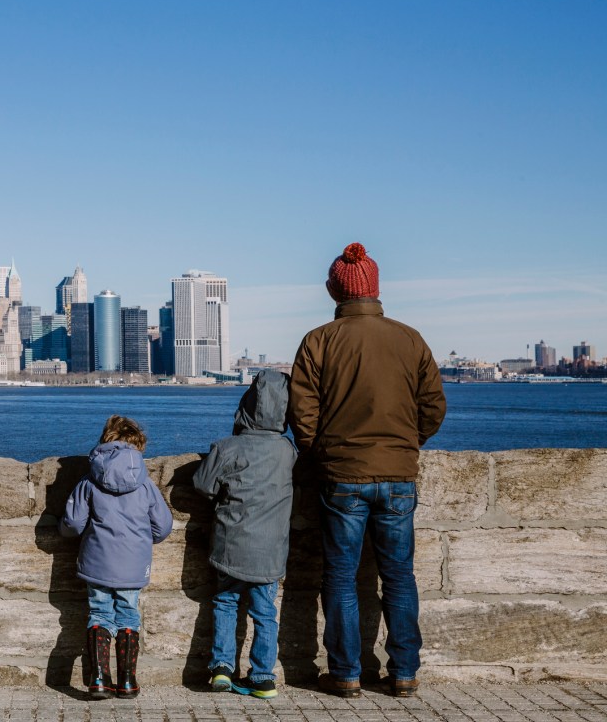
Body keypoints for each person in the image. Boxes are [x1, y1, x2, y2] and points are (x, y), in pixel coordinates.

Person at [289, 242, 446, 699]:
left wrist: (321, 452)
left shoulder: (319, 339)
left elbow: (303, 411)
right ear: (375, 289)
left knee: (339, 577)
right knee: (399, 575)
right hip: (398, 475)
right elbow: (433, 406)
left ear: (334, 290)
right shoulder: (410, 338)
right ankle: (404, 672)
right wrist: (405, 444)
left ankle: (346, 673)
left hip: (341, 477)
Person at [193, 369, 297, 699]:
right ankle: (263, 677)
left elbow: (202, 484)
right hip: (270, 551)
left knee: (225, 602)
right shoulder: (287, 451)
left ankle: (222, 668)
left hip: (231, 546)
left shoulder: (229, 448)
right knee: (265, 613)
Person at [60, 415, 174, 700]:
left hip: (97, 561)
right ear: (138, 447)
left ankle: (99, 679)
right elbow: (163, 526)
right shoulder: (145, 485)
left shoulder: (90, 481)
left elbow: (73, 524)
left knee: (99, 613)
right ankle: (127, 682)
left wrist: (61, 529)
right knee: (129, 615)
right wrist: (144, 543)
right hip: (133, 564)